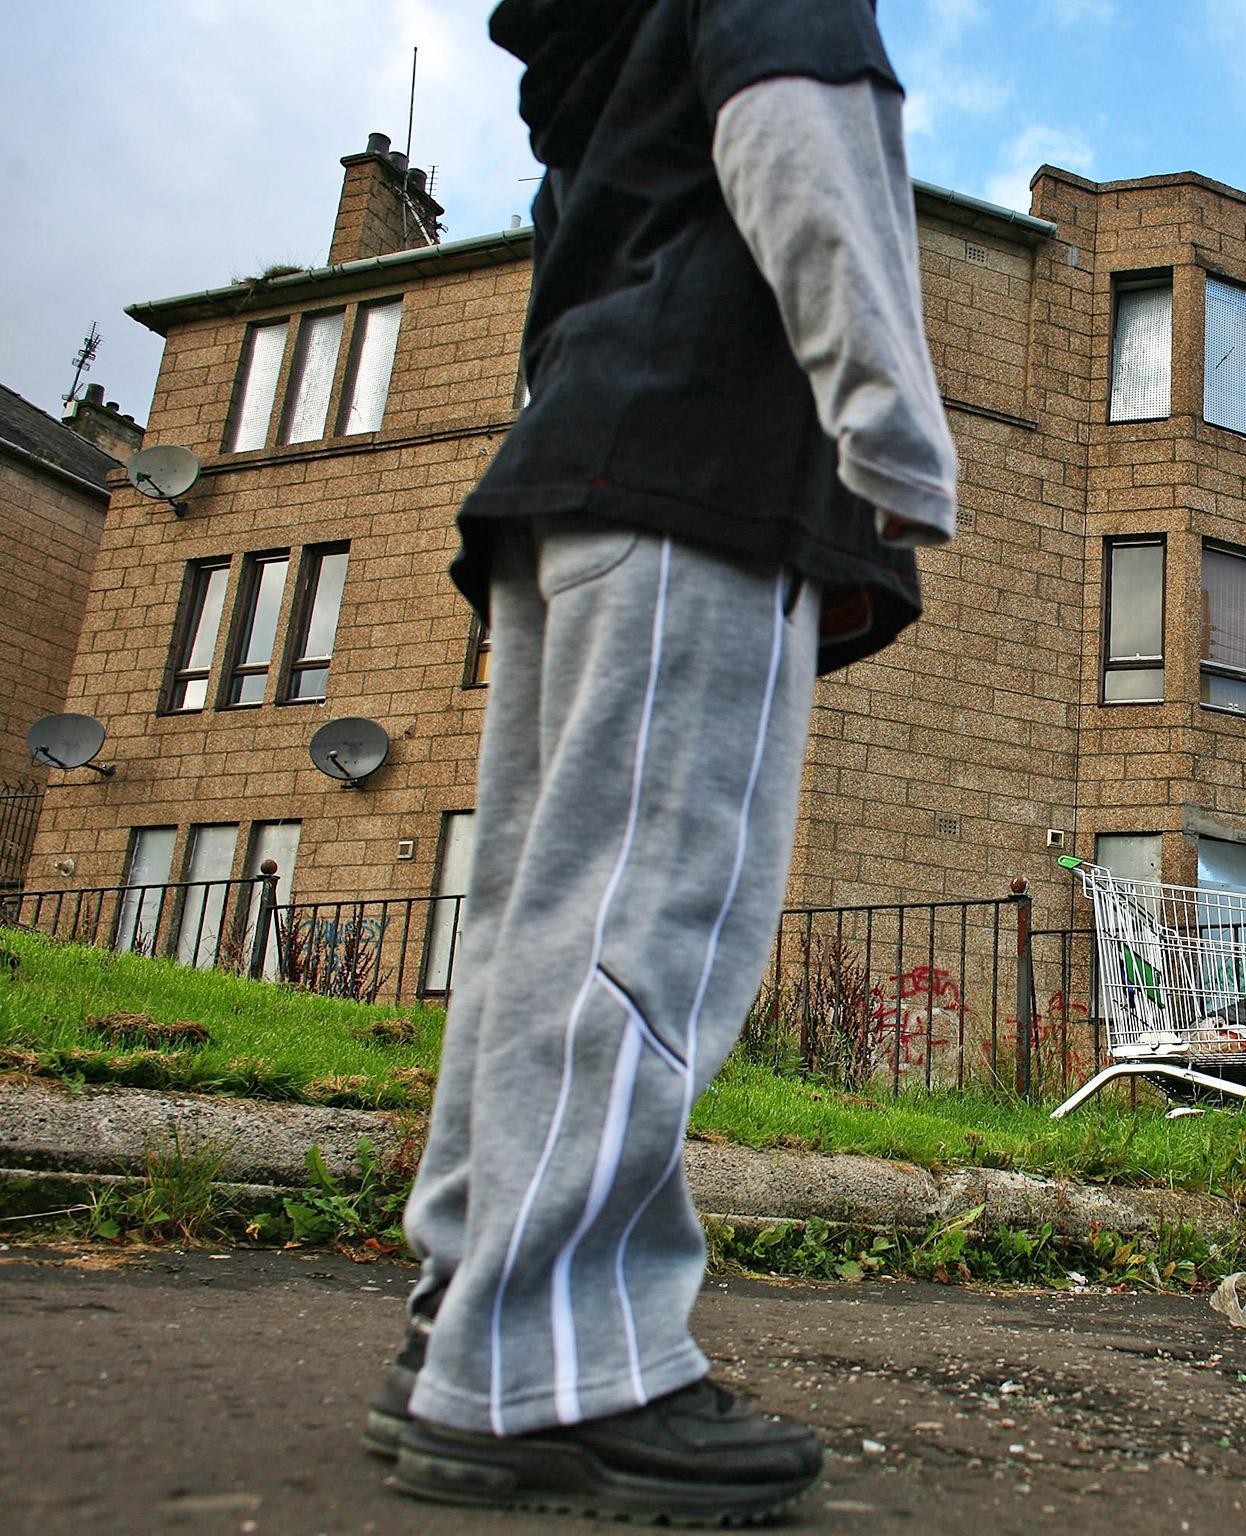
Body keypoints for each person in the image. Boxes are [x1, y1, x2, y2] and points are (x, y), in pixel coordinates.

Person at [361, 0, 957, 1523]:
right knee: (648, 921)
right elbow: (803, 130)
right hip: (702, 468)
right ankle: (559, 1365)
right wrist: (892, 431)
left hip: (574, 462)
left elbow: (573, 260)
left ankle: (467, 1316)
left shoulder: (593, 33)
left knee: (529, 929)